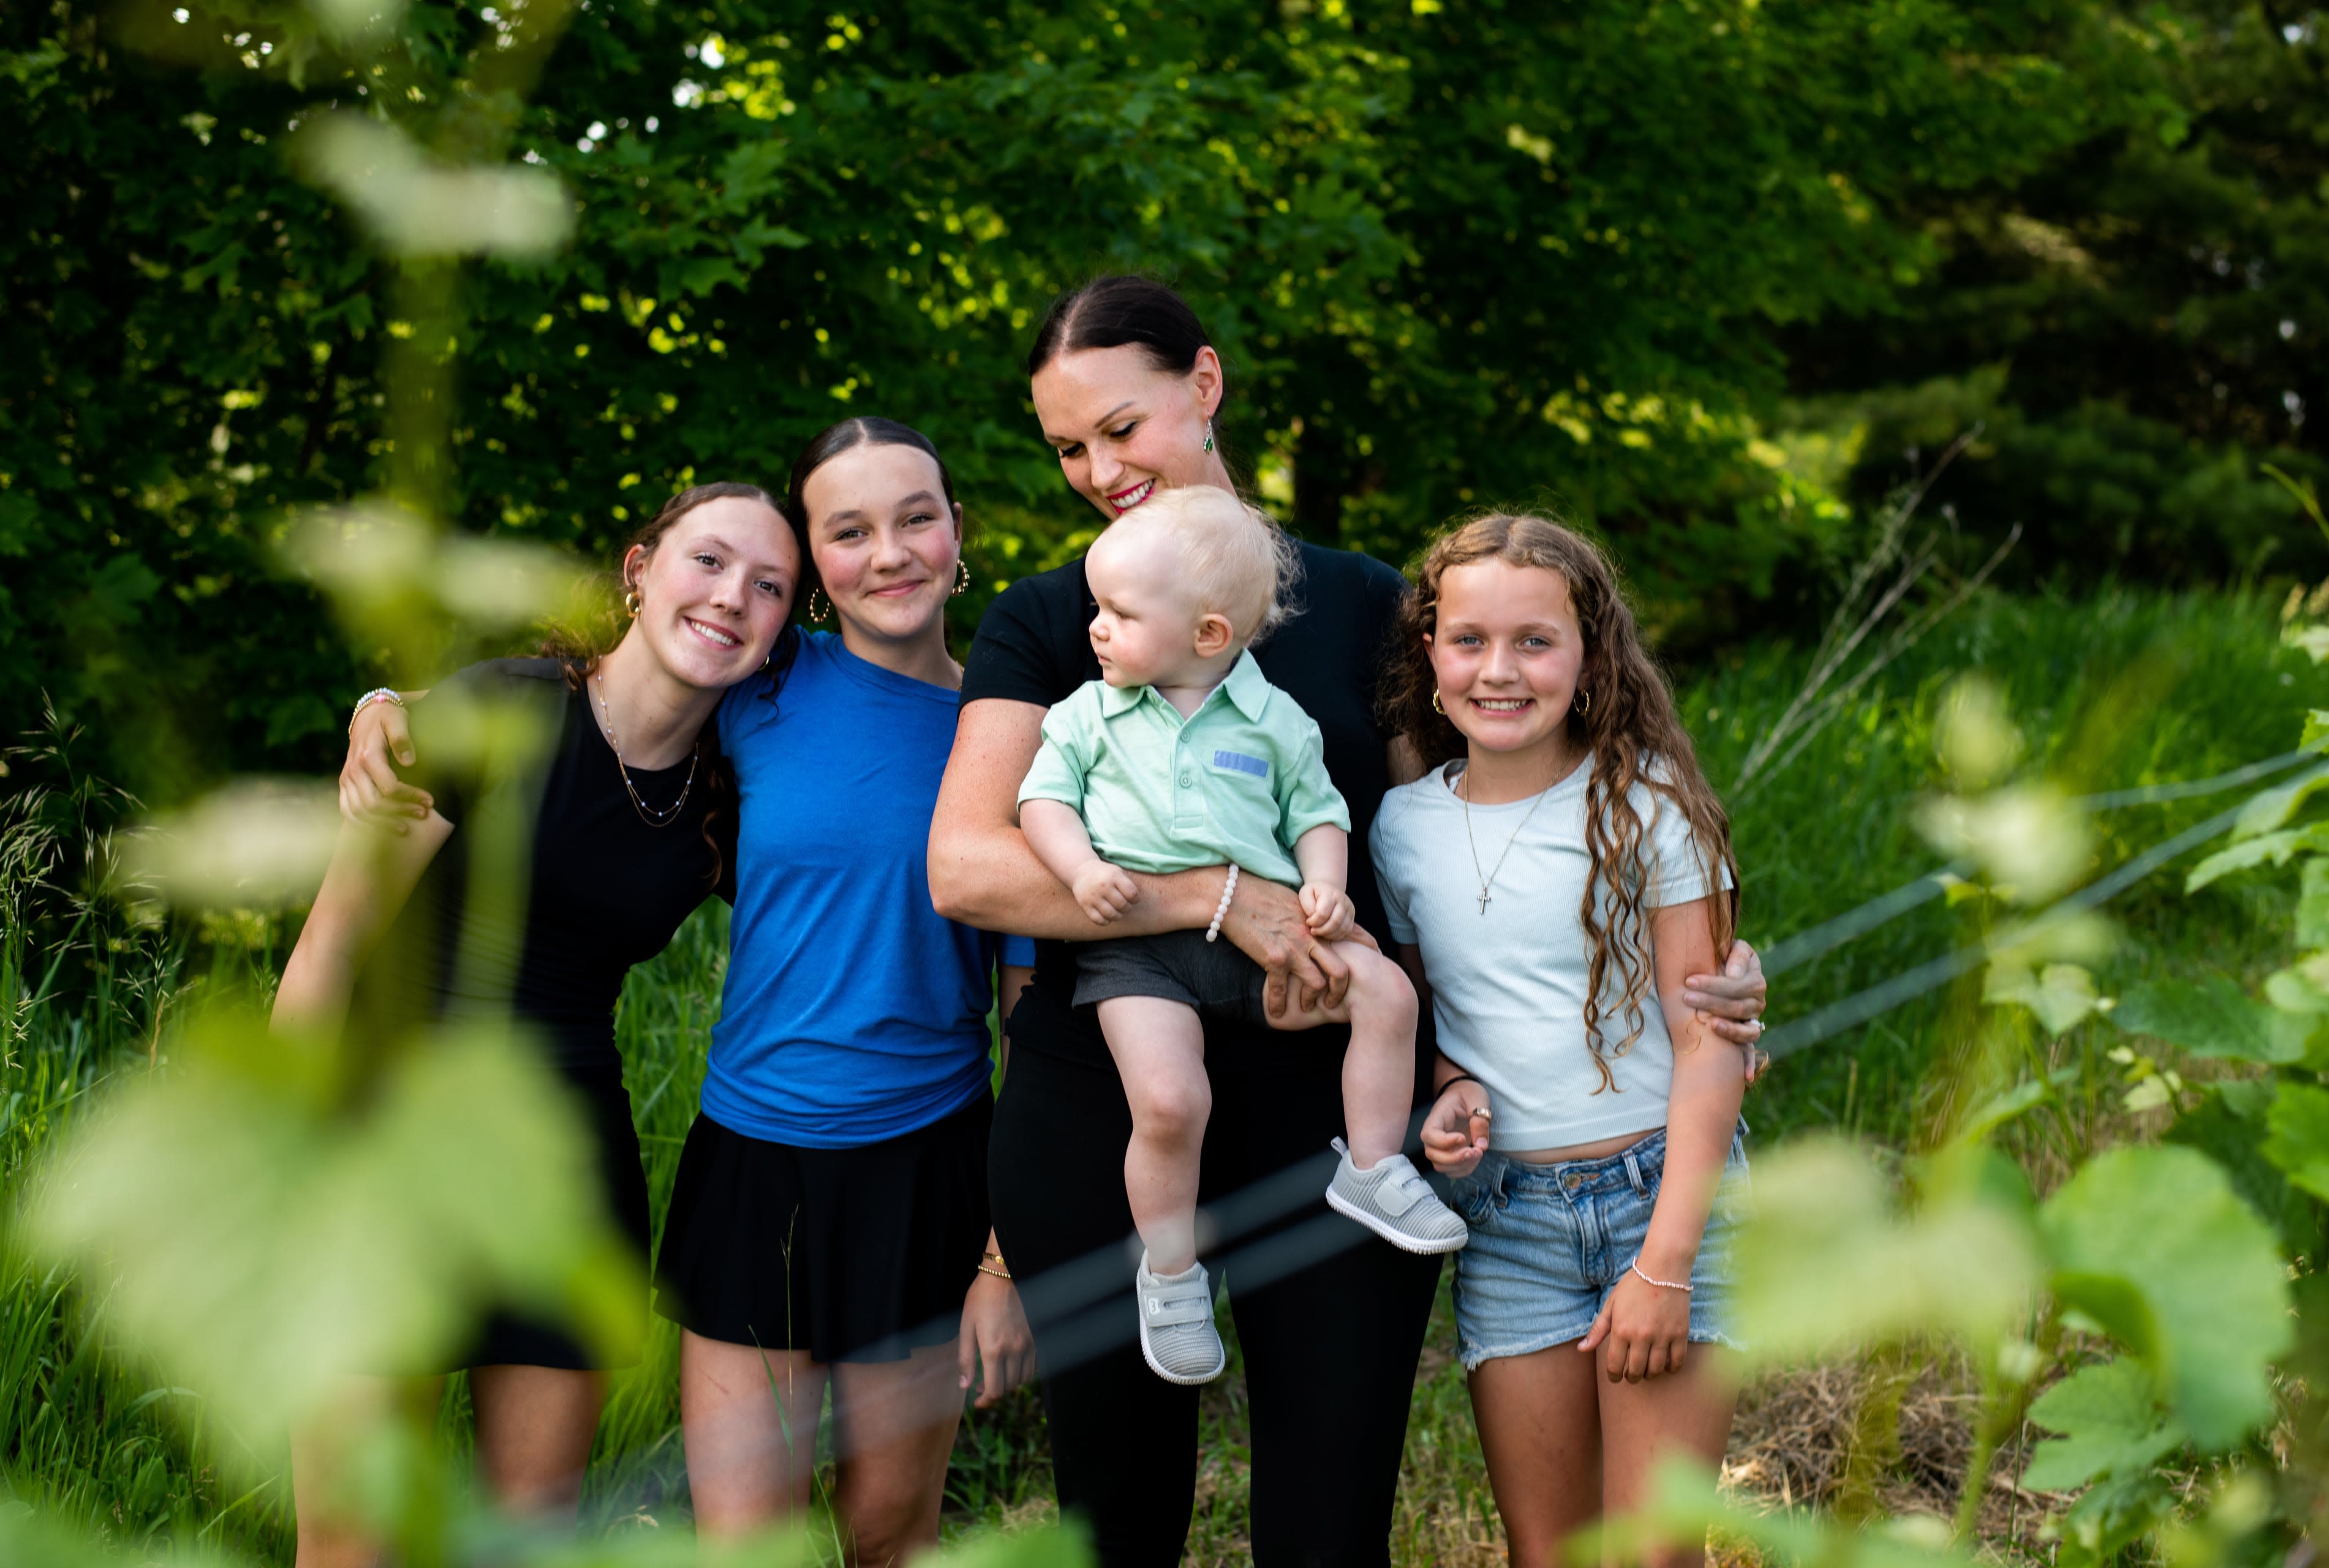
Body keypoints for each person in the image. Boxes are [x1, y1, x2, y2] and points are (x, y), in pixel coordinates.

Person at [926, 274, 1770, 1564]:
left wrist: (1696, 953)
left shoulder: (1366, 599)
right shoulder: (1057, 620)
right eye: (1068, 447)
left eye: (1122, 426)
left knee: (1327, 1519)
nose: (1098, 469)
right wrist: (1224, 900)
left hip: (1335, 1107)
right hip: (1108, 1090)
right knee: (1119, 1512)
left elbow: (1468, 814)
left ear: (1204, 386)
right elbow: (972, 868)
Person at [341, 421, 1037, 1565]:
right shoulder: (760, 690)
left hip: (928, 1164)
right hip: (752, 1162)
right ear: (816, 568)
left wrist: (1004, 1260)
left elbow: (1037, 1030)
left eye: (918, 517)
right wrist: (392, 706)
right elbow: (601, 703)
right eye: (849, 531)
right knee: (741, 1541)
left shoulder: (1016, 733)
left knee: (887, 1532)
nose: (892, 552)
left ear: (958, 529)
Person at [279, 481, 800, 1568]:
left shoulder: (728, 801)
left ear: (779, 634)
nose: (730, 598)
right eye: (707, 561)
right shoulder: (495, 711)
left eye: (768, 587)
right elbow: (328, 953)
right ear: (640, 568)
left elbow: (863, 881)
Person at [1016, 485, 1462, 1385]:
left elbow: (1318, 815)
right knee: (1172, 1102)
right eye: (1098, 609)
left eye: (1121, 614)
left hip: (1265, 942)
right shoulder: (1086, 715)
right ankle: (1172, 1273)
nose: (1095, 629)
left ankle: (1372, 1165)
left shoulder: (1277, 720)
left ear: (1209, 636)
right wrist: (1080, 871)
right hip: (1135, 947)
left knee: (1387, 992)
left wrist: (1328, 891)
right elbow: (1042, 801)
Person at [1378, 514, 1750, 1568]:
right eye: (1469, 641)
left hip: (1659, 1198)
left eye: (1535, 642)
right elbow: (1427, 1016)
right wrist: (1447, 1087)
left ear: (1590, 658)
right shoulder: (1401, 826)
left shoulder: (1648, 804)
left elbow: (1712, 1037)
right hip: (1510, 1222)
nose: (1500, 670)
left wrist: (1666, 1264)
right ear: (1431, 653)